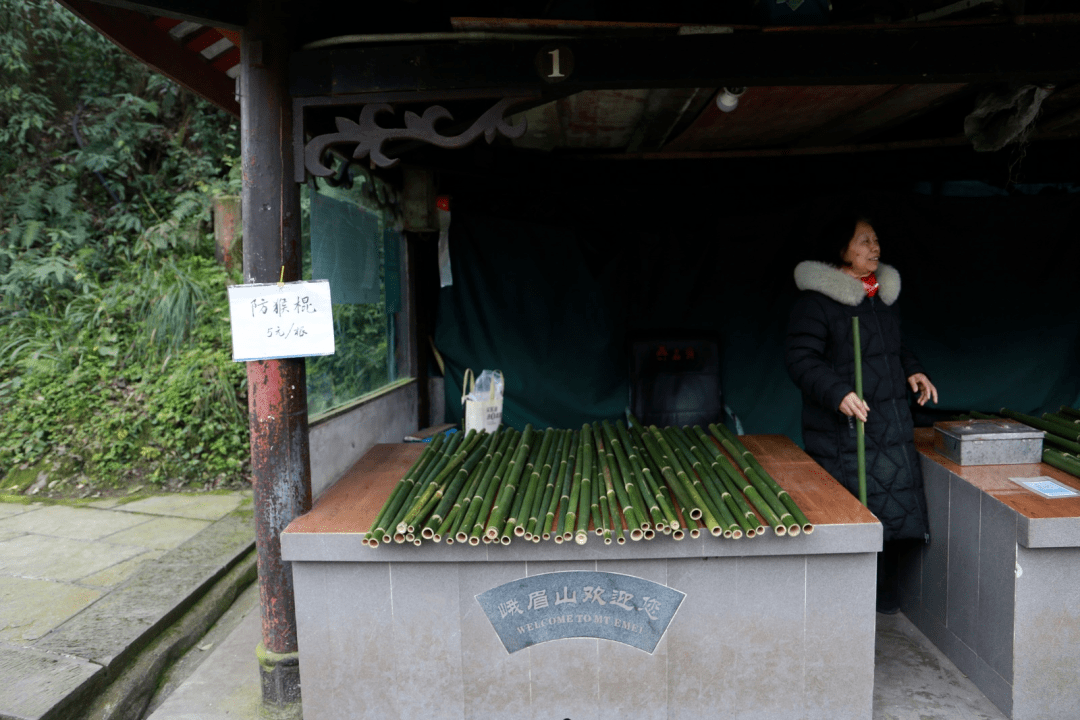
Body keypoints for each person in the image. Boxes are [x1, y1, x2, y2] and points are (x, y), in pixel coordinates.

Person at [785, 212, 938, 614]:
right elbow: (801, 360)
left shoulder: (880, 296)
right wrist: (837, 393)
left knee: (891, 511)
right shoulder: (816, 303)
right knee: (851, 514)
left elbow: (894, 346)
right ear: (842, 250)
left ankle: (883, 604)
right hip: (842, 430)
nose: (875, 248)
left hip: (888, 425)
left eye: (875, 240)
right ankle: (841, 607)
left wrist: (914, 369)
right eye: (865, 241)